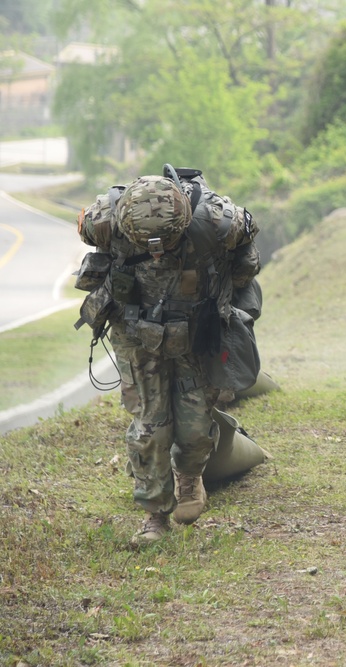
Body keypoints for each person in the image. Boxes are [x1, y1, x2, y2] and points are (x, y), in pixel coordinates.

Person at [76, 167, 261, 546]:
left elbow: (247, 260)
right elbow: (84, 234)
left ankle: (190, 478)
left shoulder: (218, 220)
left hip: (198, 334)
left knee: (194, 425)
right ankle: (154, 515)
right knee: (150, 424)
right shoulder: (103, 220)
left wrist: (225, 291)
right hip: (136, 332)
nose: (157, 253)